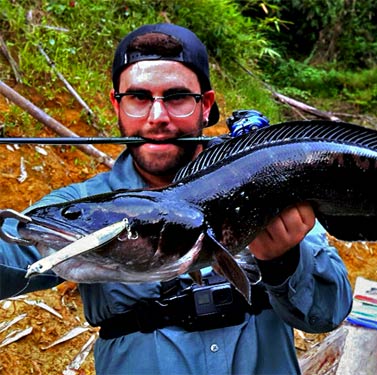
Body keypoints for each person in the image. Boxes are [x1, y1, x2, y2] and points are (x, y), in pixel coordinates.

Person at [0, 23, 352, 374]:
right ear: (116, 105)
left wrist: (283, 262)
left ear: (205, 104)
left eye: (177, 97)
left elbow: (329, 312)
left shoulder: (263, 181)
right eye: (138, 98)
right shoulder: (84, 204)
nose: (157, 118)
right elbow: (12, 256)